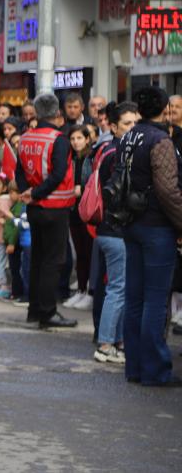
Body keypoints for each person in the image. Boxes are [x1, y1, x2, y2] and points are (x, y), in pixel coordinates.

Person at [117, 87, 182, 386]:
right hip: (157, 227)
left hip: (132, 224)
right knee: (155, 301)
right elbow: (168, 190)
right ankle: (154, 370)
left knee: (135, 298)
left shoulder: (129, 135)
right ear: (165, 109)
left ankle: (135, 367)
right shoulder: (160, 140)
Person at [16, 92, 78, 329]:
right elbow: (59, 174)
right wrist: (37, 193)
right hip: (55, 207)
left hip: (34, 207)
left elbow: (19, 171)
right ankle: (48, 311)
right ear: (57, 113)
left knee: (38, 259)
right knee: (53, 261)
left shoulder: (25, 137)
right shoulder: (59, 139)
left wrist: (27, 191)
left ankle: (34, 310)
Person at [91, 102, 138, 364]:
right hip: (114, 230)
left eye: (135, 122)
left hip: (110, 229)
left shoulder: (106, 150)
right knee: (118, 289)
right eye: (127, 123)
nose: (132, 128)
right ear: (113, 127)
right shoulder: (116, 153)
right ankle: (106, 344)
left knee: (119, 287)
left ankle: (117, 342)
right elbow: (117, 195)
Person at [64, 125, 95, 311]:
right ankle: (81, 289)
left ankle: (90, 291)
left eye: (79, 138)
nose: (76, 142)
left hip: (88, 211)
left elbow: (95, 182)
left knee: (89, 252)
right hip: (73, 209)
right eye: (73, 138)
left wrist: (81, 189)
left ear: (87, 139)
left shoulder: (91, 158)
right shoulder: (70, 159)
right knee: (80, 253)